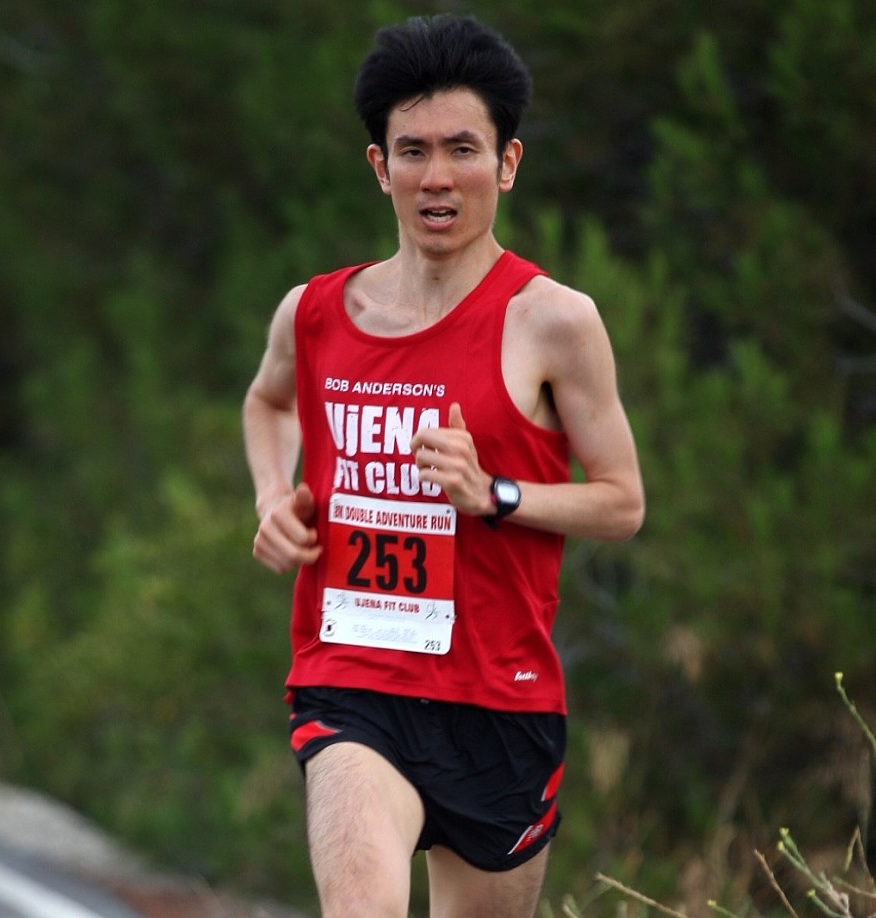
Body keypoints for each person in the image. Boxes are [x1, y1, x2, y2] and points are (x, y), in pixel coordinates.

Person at [243, 14, 644, 918]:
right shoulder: (313, 313)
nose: (437, 177)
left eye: (462, 149)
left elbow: (622, 503)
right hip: (352, 677)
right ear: (379, 166)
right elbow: (268, 402)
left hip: (501, 701)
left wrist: (492, 493)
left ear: (507, 163)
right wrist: (272, 496)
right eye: (412, 150)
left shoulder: (555, 321)